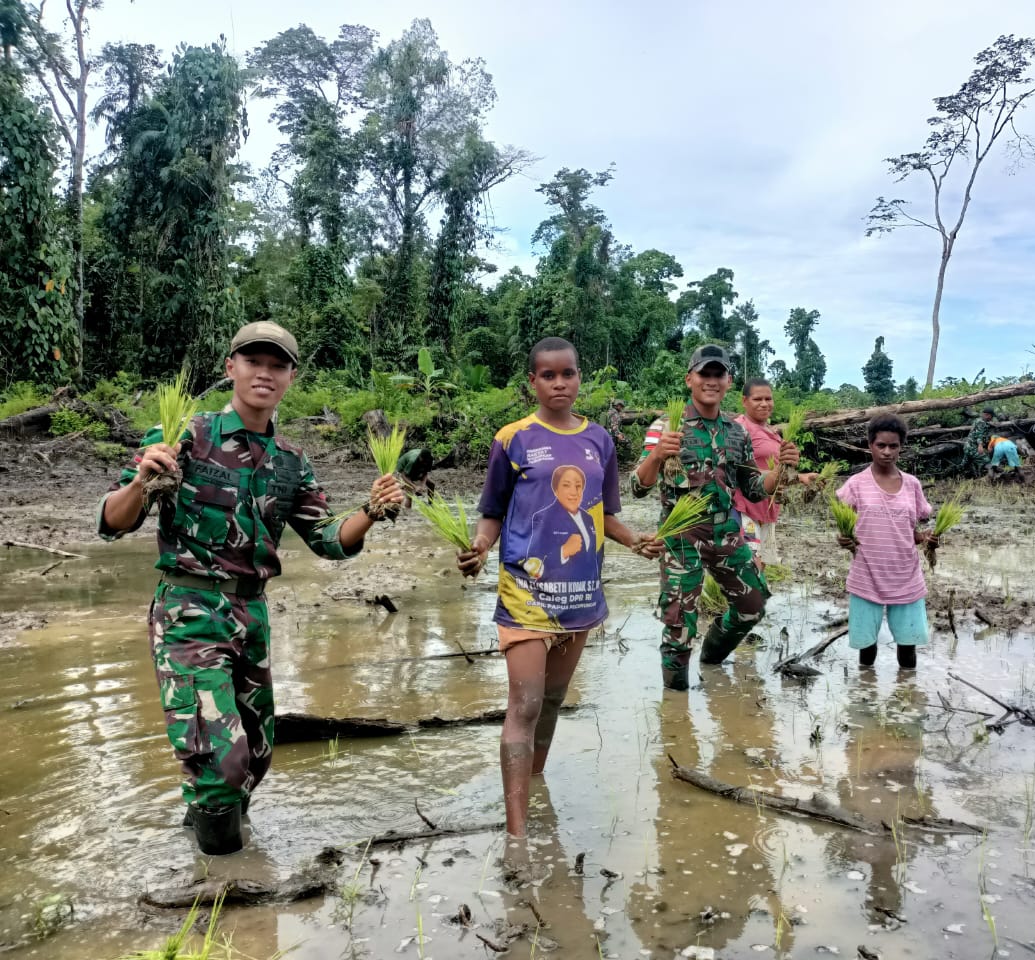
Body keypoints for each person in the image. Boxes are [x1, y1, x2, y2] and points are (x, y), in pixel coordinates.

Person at [96, 321, 406, 856]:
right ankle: (223, 890)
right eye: (253, 361)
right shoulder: (185, 437)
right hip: (189, 610)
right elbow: (112, 520)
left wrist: (372, 512)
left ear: (290, 377)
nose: (265, 372)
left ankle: (202, 840)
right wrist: (142, 481)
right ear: (230, 368)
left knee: (256, 756)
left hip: (251, 614)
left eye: (278, 364)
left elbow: (329, 539)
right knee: (223, 762)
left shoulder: (291, 460)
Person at [456, 337, 659, 841]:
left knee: (551, 699)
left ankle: (534, 783)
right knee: (524, 704)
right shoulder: (513, 438)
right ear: (533, 382)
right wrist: (480, 546)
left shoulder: (599, 442)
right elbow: (493, 512)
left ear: (579, 376)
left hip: (581, 597)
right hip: (526, 595)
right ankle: (517, 835)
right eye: (548, 375)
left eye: (567, 374)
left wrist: (635, 541)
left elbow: (605, 513)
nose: (559, 383)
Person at [631, 344, 799, 691]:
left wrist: (782, 467)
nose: (711, 380)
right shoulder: (665, 427)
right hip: (681, 537)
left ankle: (711, 660)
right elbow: (637, 487)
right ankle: (675, 709)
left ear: (728, 381)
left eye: (718, 374)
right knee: (679, 628)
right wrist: (658, 455)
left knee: (753, 606)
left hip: (726, 532)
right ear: (689, 378)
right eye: (704, 374)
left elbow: (754, 488)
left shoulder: (736, 431)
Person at [834, 414, 934, 670]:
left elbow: (911, 531)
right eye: (881, 445)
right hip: (867, 575)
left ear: (901, 447)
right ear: (870, 445)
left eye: (894, 446)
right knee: (867, 647)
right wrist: (844, 539)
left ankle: (906, 696)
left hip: (905, 575)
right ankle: (866, 695)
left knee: (908, 645)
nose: (887, 452)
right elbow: (844, 529)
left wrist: (927, 539)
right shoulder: (855, 485)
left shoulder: (912, 485)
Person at [732, 378, 817, 565]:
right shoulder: (738, 428)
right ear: (744, 401)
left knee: (763, 566)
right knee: (748, 566)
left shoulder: (771, 432)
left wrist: (801, 477)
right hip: (745, 510)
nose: (764, 404)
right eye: (757, 399)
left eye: (768, 399)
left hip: (767, 509)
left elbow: (776, 472)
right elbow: (736, 470)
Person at [960, 407, 995, 477]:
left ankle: (952, 475)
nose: (991, 418)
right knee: (986, 461)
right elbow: (979, 435)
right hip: (972, 448)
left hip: (968, 447)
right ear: (987, 415)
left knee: (964, 465)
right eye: (991, 416)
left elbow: (977, 431)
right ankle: (990, 477)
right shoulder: (981, 423)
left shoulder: (978, 420)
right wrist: (980, 445)